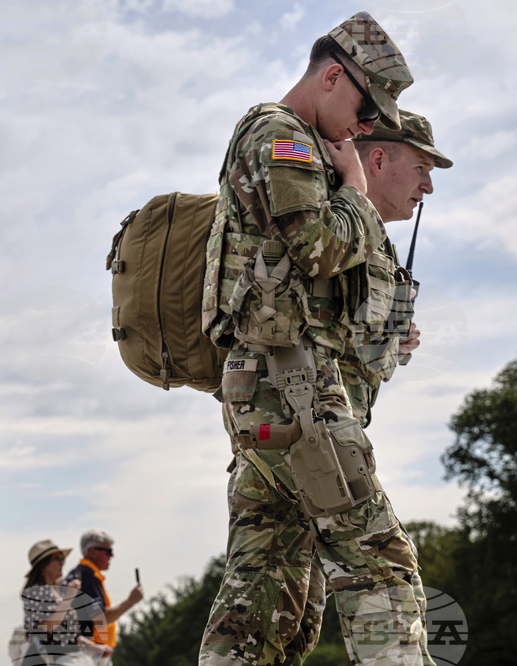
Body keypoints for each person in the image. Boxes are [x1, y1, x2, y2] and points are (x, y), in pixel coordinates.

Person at [199, 11, 433, 666]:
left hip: (276, 386)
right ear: (333, 76)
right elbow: (319, 247)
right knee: (380, 566)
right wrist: (358, 189)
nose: (366, 126)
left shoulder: (295, 140)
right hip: (293, 390)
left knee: (265, 594)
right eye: (366, 108)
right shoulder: (281, 134)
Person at [339, 109, 454, 426]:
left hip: (337, 428)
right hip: (301, 425)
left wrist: (394, 339)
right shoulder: (332, 231)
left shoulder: (379, 249)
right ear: (377, 161)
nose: (428, 186)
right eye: (420, 169)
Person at [63, 530, 144, 664]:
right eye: (108, 551)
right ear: (93, 552)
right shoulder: (88, 575)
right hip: (91, 651)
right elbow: (101, 619)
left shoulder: (80, 573)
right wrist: (130, 601)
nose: (112, 555)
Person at [19, 539, 99, 666]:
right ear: (43, 564)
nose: (62, 563)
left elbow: (65, 634)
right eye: (57, 558)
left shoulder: (53, 592)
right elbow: (47, 627)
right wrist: (69, 597)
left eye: (63, 559)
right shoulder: (37, 591)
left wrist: (92, 647)